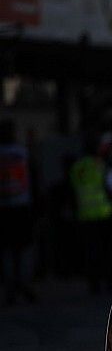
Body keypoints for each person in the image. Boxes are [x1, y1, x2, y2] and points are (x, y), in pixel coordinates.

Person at [70, 134, 112, 292]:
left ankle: (93, 284)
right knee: (106, 250)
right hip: (103, 213)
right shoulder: (100, 165)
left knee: (91, 251)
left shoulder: (77, 166)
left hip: (85, 213)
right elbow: (110, 185)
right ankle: (109, 281)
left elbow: (74, 188)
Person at [0, 119, 37, 304]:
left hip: (4, 207)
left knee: (7, 250)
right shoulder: (22, 153)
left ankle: (11, 288)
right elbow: (34, 178)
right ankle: (24, 284)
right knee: (24, 249)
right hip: (22, 205)